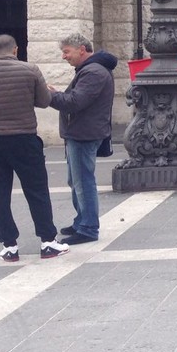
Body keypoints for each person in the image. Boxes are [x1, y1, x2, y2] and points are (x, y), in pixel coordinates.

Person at [0, 34, 69, 262]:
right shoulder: (30, 70)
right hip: (24, 138)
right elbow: (44, 101)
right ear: (15, 50)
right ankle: (48, 242)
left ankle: (9, 245)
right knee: (36, 190)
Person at [48, 33, 117, 245]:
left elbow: (75, 102)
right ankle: (81, 221)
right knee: (76, 180)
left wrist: (50, 95)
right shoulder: (90, 69)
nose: (64, 56)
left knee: (83, 182)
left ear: (82, 49)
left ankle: (88, 228)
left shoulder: (93, 72)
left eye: (66, 52)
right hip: (81, 132)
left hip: (84, 134)